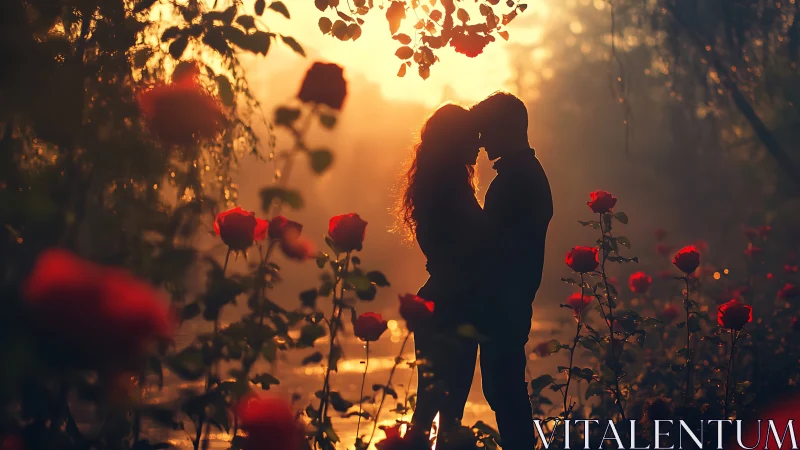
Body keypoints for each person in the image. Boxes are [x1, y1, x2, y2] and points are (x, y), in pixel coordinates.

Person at [395, 103, 485, 449]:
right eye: (472, 138)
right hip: (453, 304)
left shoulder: (435, 189)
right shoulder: (453, 193)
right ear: (456, 140)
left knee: (432, 403)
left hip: (440, 300)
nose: (478, 145)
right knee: (444, 408)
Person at [470, 91, 553, 450]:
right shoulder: (524, 175)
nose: (483, 140)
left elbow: (496, 246)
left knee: (503, 389)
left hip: (506, 302)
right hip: (513, 300)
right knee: (503, 388)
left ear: (507, 128)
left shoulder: (515, 181)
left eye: (487, 130)